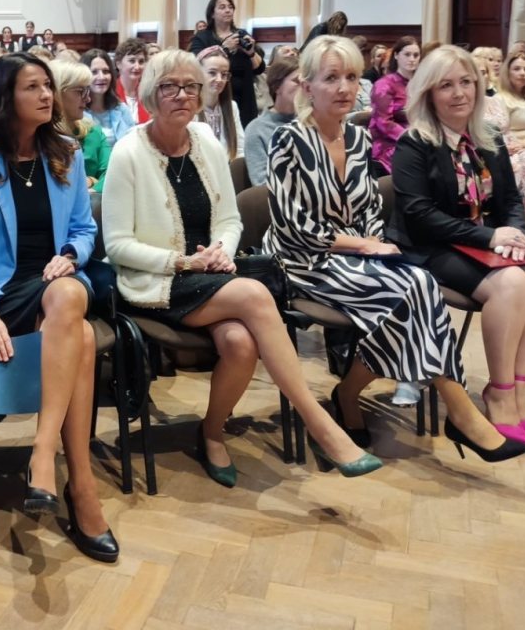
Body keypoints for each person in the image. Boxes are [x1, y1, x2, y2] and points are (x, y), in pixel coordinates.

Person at [102, 48, 379, 482]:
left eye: (191, 86)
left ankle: (211, 433)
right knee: (253, 294)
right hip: (157, 281)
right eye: (170, 87)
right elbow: (118, 246)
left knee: (241, 344)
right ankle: (320, 424)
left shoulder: (206, 142)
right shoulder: (128, 152)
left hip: (213, 276)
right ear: (152, 95)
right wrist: (184, 261)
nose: (182, 95)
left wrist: (221, 251)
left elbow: (230, 220)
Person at [262, 35, 525, 462]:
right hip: (304, 259)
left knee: (419, 284)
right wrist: (366, 244)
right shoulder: (288, 140)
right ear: (307, 86)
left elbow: (369, 207)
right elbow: (294, 226)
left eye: (352, 77)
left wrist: (375, 242)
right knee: (412, 291)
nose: (345, 87)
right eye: (331, 78)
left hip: (357, 253)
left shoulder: (357, 137)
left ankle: (350, 393)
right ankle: (459, 412)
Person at [0, 51, 119, 563]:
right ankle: (79, 484)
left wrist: (71, 255)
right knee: (83, 336)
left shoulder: (66, 151)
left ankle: (44, 453)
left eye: (47, 86)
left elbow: (84, 228)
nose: (46, 95)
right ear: (5, 96)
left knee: (70, 294)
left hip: (54, 282)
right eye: (32, 87)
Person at [389, 45, 525, 444]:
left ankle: (519, 395)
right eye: (446, 85)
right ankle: (500, 394)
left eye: (466, 82)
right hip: (429, 247)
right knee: (512, 283)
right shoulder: (414, 143)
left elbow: (510, 200)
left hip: (480, 243)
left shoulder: (488, 136)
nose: (459, 93)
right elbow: (420, 215)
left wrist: (516, 235)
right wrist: (490, 236)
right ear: (428, 92)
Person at [189, 0, 265, 126]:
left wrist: (251, 53)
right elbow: (196, 63)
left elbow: (259, 68)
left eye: (230, 7)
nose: (228, 10)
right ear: (212, 14)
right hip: (217, 95)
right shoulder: (203, 37)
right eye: (222, 7)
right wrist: (224, 48)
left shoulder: (242, 34)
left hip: (245, 96)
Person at [490, 51, 525, 241]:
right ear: (507, 71)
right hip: (516, 149)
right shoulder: (500, 98)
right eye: (517, 69)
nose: (523, 73)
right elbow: (501, 133)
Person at [50, 59, 109, 191]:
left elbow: (112, 174)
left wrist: (91, 186)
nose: (88, 99)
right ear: (57, 92)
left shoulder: (93, 132)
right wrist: (90, 181)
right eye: (80, 91)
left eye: (87, 91)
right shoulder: (41, 136)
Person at [368, 35, 420, 174]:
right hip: (389, 143)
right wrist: (413, 138)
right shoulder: (384, 84)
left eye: (416, 55)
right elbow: (383, 123)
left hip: (418, 137)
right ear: (396, 55)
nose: (412, 59)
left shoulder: (421, 84)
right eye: (407, 54)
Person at [244, 57, 299, 186]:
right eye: (297, 81)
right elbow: (261, 182)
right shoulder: (257, 129)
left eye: (307, 81)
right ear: (277, 86)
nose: (304, 87)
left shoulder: (312, 122)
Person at [194, 47, 245, 159]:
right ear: (198, 74)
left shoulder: (232, 107)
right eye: (212, 73)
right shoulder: (190, 109)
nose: (219, 79)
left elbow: (240, 149)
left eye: (224, 74)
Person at [80, 49, 133, 146]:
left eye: (105, 71)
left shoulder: (122, 109)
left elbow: (133, 143)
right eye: (94, 72)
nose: (101, 77)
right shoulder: (78, 112)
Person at [115, 37, 149, 123]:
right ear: (118, 64)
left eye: (141, 61)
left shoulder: (147, 93)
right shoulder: (111, 93)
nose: (137, 67)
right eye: (132, 61)